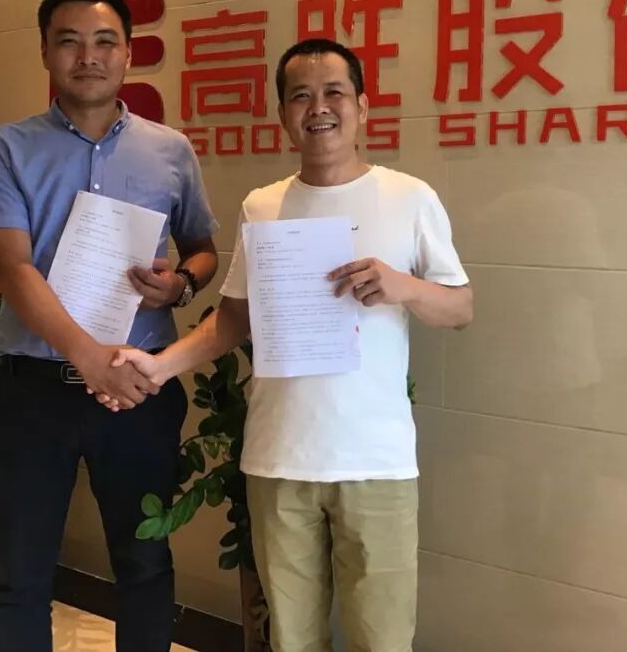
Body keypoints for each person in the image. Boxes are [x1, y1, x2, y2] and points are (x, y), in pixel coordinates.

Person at [107, 38, 473, 651]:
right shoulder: (263, 205)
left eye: (334, 92)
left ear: (362, 106)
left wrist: (403, 286)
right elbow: (233, 319)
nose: (318, 107)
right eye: (301, 96)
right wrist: (160, 365)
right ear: (283, 114)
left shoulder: (410, 198)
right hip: (279, 460)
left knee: (382, 640)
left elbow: (460, 307)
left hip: (375, 462)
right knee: (291, 641)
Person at [0, 0, 219, 652]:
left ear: (129, 54)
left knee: (144, 565)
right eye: (69, 41)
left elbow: (203, 249)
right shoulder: (5, 148)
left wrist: (180, 286)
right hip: (32, 392)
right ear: (45, 52)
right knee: (18, 578)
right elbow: (11, 268)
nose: (88, 57)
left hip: (140, 390)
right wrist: (89, 357)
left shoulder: (170, 150)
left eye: (105, 42)